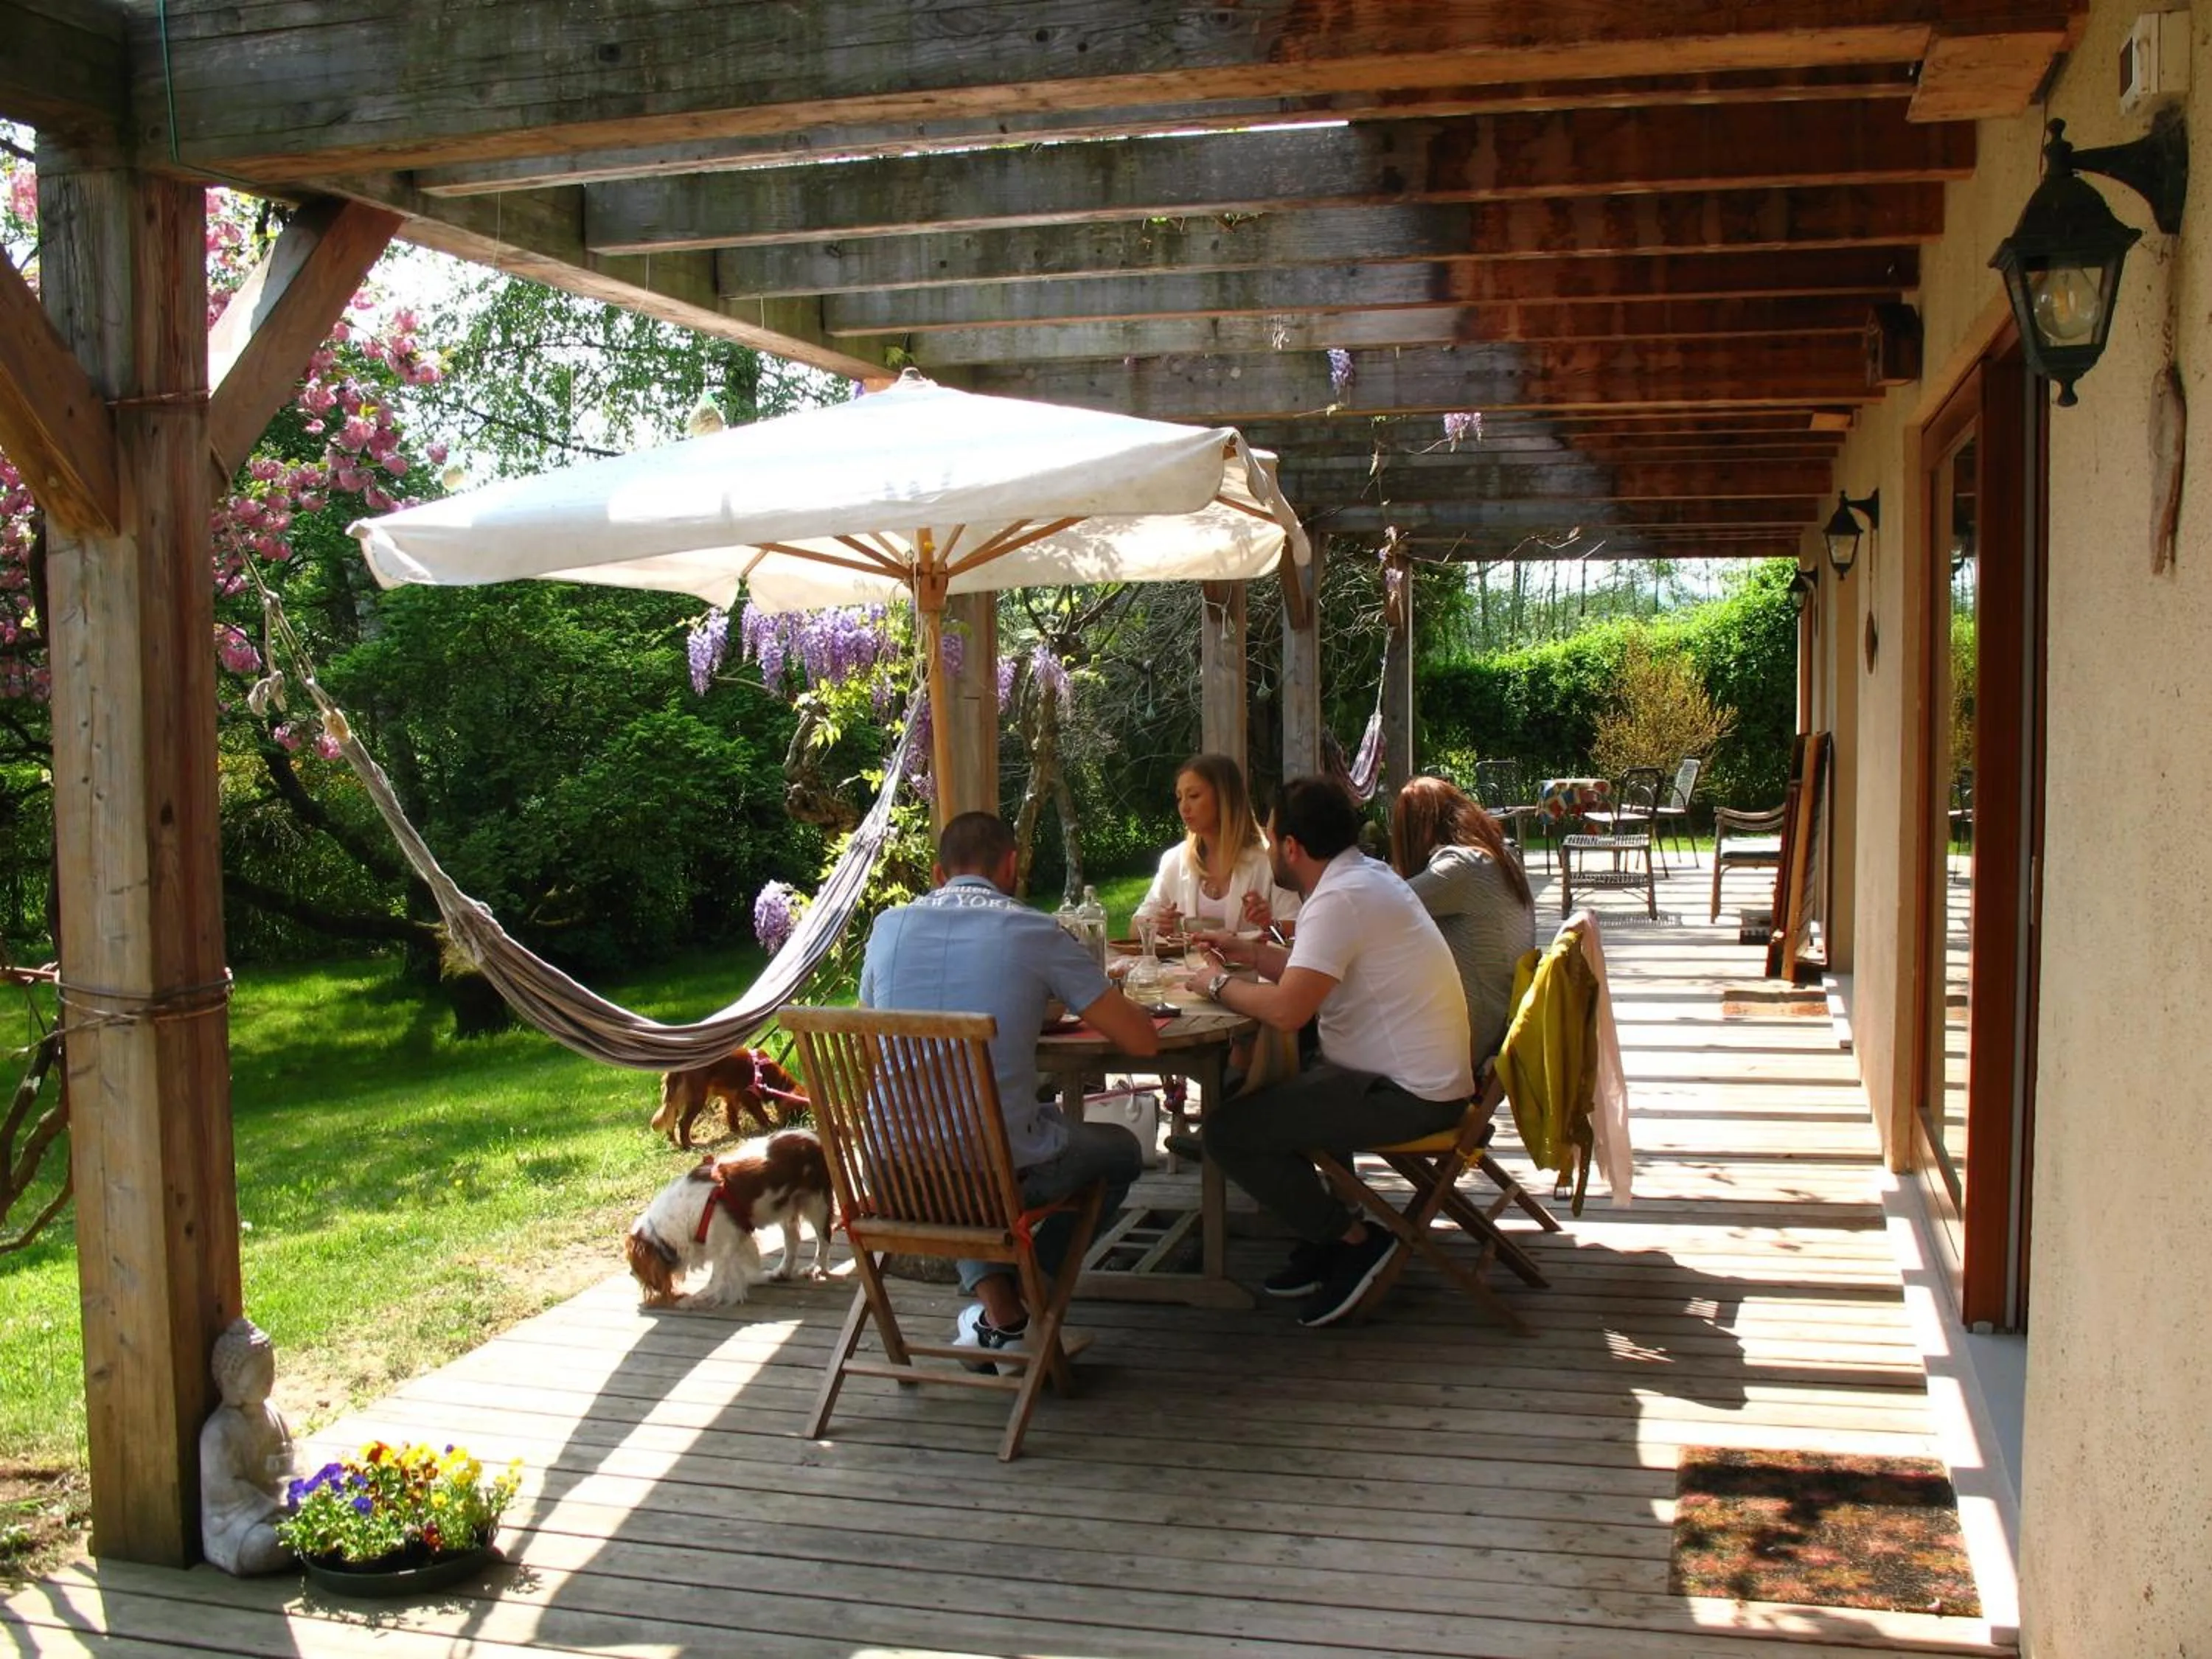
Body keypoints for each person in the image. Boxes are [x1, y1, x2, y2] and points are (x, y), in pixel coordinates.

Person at [859, 810, 1161, 1368]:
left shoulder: (888, 926)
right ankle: (1025, 1305)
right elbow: (1140, 1041)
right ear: (1012, 865)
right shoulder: (1032, 930)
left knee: (964, 1150)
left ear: (937, 873)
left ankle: (1000, 1310)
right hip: (987, 1176)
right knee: (1118, 1150)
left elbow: (877, 1040)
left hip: (888, 1170)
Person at [1180, 776, 1474, 1328]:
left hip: (1407, 1096)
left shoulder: (1340, 898)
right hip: (1406, 1078)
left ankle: (1355, 1239)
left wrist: (1213, 983)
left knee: (1229, 1130)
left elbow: (1290, 1010)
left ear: (1291, 846)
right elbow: (1308, 970)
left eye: (1270, 839)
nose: (1268, 849)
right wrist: (1246, 952)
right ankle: (1329, 1234)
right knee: (1268, 1099)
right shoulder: (1362, 878)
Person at [1390, 775, 1538, 1068]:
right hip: (1499, 1018)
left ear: (1419, 829)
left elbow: (1382, 907)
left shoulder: (1461, 868)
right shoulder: (1498, 853)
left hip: (1471, 1036)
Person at [1138, 754, 1299, 940]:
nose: (1184, 807)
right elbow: (1137, 923)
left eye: (1194, 796)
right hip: (1187, 969)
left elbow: (1300, 927)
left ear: (1225, 798)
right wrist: (1156, 924)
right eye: (1179, 798)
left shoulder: (1269, 860)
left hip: (1250, 969)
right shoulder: (1175, 860)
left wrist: (1270, 924)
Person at [199, 1316, 296, 1575]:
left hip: (277, 1505)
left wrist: (294, 1492)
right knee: (261, 1547)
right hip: (238, 1521)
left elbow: (289, 1463)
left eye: (271, 1371)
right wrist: (272, 1509)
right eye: (261, 1374)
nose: (269, 1380)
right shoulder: (218, 1433)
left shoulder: (273, 1413)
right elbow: (227, 1493)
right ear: (231, 1381)